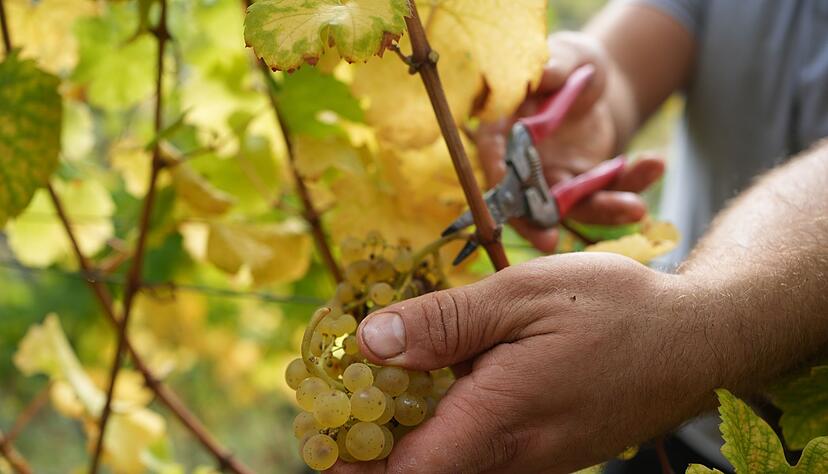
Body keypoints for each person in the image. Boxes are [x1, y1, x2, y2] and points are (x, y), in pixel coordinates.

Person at [332, 1, 828, 472]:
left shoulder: (651, 364)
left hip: (672, 378)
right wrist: (598, 100)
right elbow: (655, 34)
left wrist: (698, 321)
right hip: (675, 421)